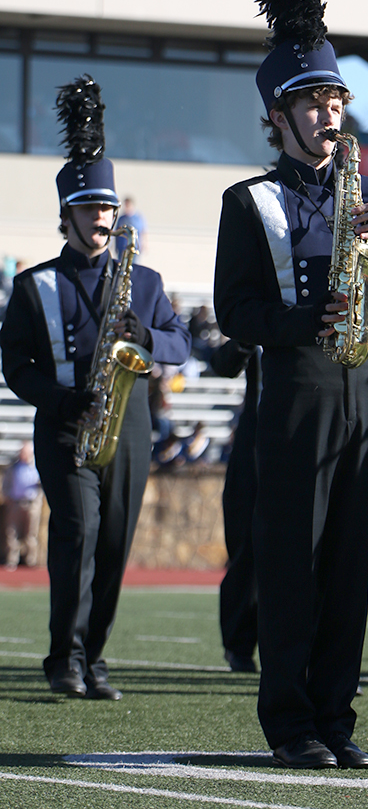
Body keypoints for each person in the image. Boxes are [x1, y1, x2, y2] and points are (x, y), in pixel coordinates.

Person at [213, 0, 368, 769]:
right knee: (292, 568)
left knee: (348, 569)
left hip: (367, 396)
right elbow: (237, 313)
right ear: (279, 115)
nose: (330, 114)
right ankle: (291, 723)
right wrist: (308, 317)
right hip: (294, 399)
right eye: (312, 101)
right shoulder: (248, 202)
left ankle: (336, 717)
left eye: (336, 98)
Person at [0, 75, 190, 700]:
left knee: (114, 543)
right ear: (67, 216)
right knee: (77, 532)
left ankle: (96, 655)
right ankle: (64, 657)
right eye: (90, 209)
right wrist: (60, 401)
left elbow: (181, 345)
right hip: (64, 424)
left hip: (128, 422)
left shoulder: (147, 280)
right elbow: (16, 366)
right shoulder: (34, 287)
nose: (102, 218)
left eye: (108, 208)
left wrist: (147, 336)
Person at [211, 339, 260, 674]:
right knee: (245, 549)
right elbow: (223, 363)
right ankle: (239, 644)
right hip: (256, 442)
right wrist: (246, 337)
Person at [2, 441, 43, 570]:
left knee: (31, 534)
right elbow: (5, 484)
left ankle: (30, 561)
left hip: (32, 504)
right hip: (16, 503)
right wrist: (7, 496)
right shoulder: (13, 467)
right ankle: (12, 561)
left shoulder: (36, 466)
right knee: (12, 533)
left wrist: (38, 499)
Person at [115, 195, 147, 260]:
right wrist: (116, 246)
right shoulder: (122, 219)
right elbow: (117, 233)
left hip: (133, 248)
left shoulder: (138, 218)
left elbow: (143, 231)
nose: (126, 207)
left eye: (128, 205)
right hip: (122, 247)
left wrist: (144, 244)